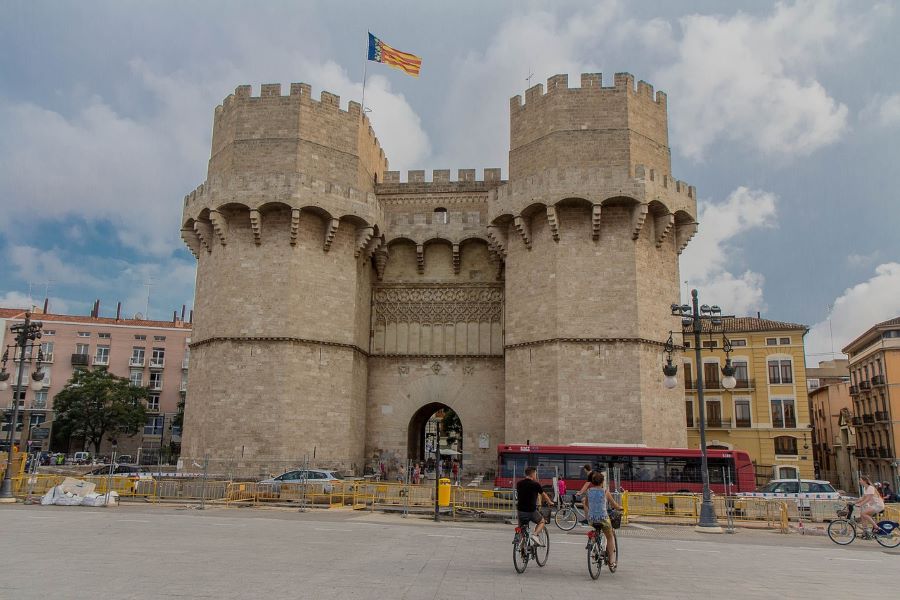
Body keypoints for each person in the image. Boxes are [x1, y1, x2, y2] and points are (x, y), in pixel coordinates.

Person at [582, 471, 623, 569]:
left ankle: (594, 544)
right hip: (603, 519)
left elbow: (586, 505)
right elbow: (614, 505)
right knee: (610, 536)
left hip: (592, 519)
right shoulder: (605, 491)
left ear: (592, 482)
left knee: (596, 529)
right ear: (602, 482)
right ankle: (611, 561)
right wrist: (619, 508)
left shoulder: (588, 491)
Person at [516, 466, 554, 546]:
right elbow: (544, 495)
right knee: (542, 521)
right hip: (531, 511)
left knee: (521, 528)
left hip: (520, 511)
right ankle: (535, 535)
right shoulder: (536, 484)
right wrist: (550, 502)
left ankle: (522, 547)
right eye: (536, 474)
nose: (536, 475)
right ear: (533, 474)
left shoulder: (519, 484)